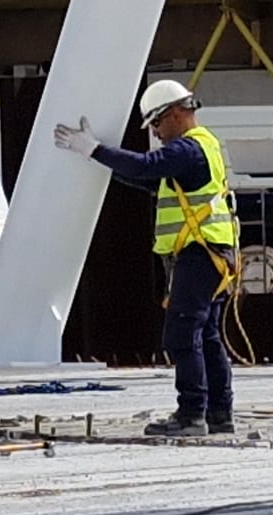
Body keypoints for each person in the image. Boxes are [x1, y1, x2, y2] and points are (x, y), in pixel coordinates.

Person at [53, 81, 236, 437]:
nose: (155, 132)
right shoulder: (204, 146)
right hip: (213, 254)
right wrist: (102, 159)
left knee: (182, 333)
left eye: (156, 122)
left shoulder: (187, 149)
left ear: (176, 114)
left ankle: (191, 415)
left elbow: (145, 166)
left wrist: (95, 150)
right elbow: (150, 179)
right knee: (207, 335)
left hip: (200, 254)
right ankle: (219, 414)